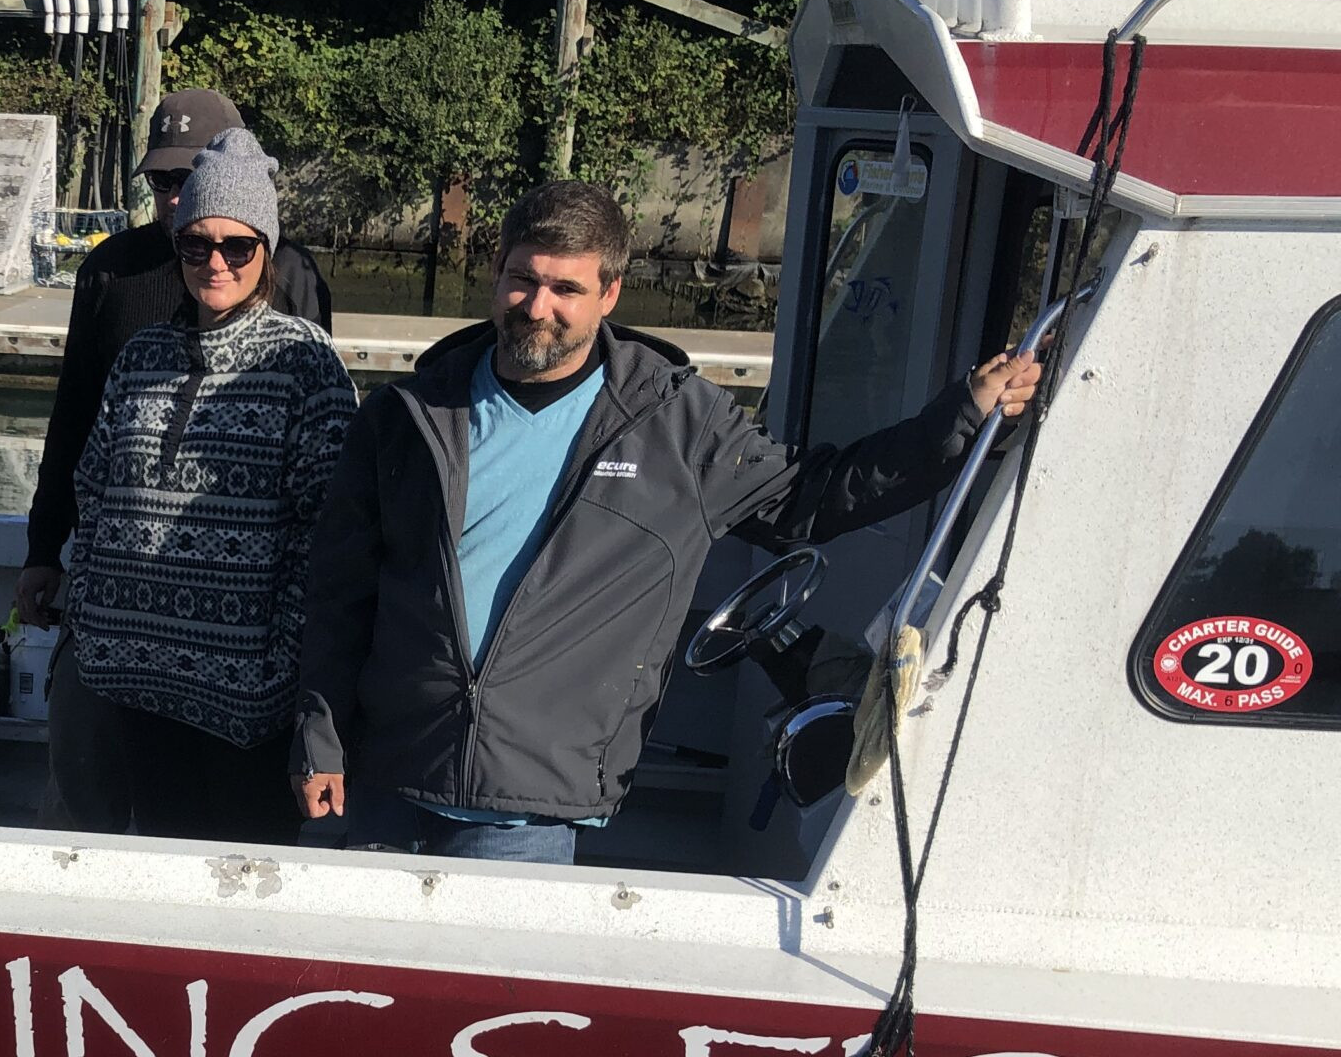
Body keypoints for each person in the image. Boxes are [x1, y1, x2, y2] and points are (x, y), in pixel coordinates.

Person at [292, 179, 1043, 865]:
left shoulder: (681, 425)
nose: (538, 306)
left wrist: (961, 420)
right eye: (524, 279)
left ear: (611, 292)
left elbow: (811, 499)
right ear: (497, 269)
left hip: (529, 810)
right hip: (387, 779)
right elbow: (339, 595)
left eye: (566, 288)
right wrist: (320, 740)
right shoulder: (407, 415)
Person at [52, 128, 359, 844]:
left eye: (237, 245)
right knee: (154, 874)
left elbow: (329, 536)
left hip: (246, 708)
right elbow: (92, 491)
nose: (215, 262)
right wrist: (93, 623)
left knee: (241, 898)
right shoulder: (141, 355)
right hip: (131, 685)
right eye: (196, 244)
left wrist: (284, 673)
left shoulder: (304, 363)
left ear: (266, 251)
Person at [14, 88, 333, 638]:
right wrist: (44, 548)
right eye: (161, 181)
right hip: (122, 608)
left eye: (191, 177)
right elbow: (74, 418)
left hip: (243, 613)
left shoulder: (294, 277)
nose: (174, 197)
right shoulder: (109, 270)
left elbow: (323, 485)